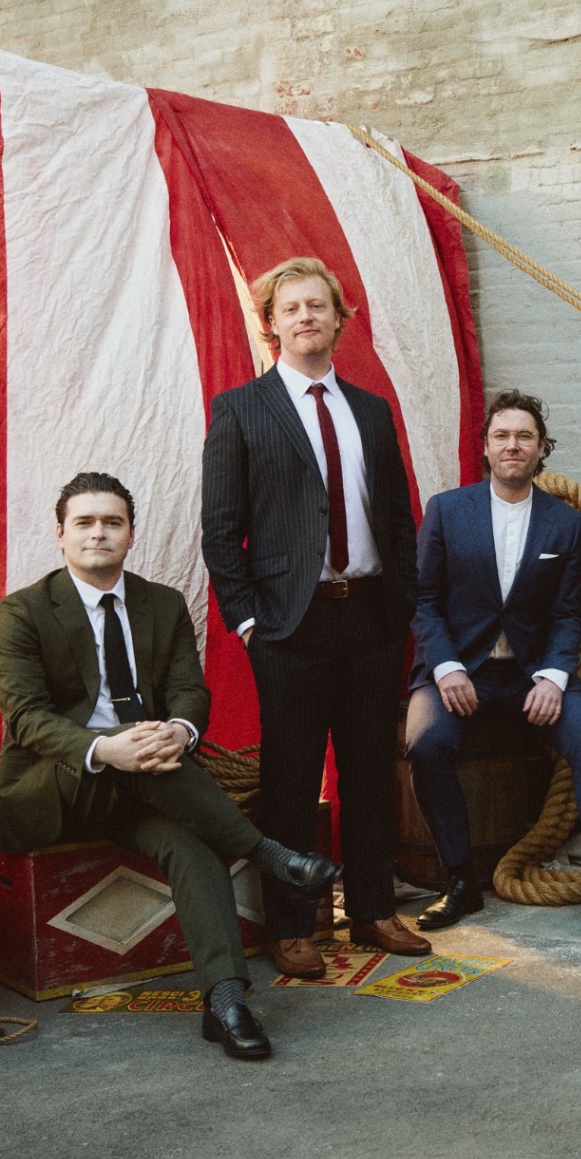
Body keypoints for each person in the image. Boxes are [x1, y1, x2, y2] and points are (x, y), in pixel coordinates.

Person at [0, 473, 342, 1059]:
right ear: (60, 535)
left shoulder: (162, 604)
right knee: (142, 751)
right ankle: (270, 855)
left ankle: (226, 1000)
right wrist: (108, 749)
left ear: (131, 535)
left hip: (149, 783)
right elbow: (26, 718)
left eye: (112, 522)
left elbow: (188, 692)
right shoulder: (24, 611)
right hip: (60, 787)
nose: (98, 533)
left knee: (191, 844)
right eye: (85, 522)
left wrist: (178, 731)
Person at [201, 256, 429, 979]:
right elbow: (220, 528)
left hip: (369, 618)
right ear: (271, 323)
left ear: (339, 319)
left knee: (368, 772)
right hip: (289, 627)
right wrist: (247, 624)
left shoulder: (371, 410)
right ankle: (293, 923)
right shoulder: (242, 409)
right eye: (291, 307)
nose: (305, 317)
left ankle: (372, 908)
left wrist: (402, 608)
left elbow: (396, 518)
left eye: (318, 306)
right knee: (292, 780)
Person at [405, 391, 581, 936]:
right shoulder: (446, 510)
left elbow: (568, 613)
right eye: (502, 436)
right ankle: (461, 879)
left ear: (542, 450)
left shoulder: (563, 522)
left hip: (531, 672)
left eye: (524, 437)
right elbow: (423, 601)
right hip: (459, 668)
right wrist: (446, 668)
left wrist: (554, 677)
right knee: (425, 742)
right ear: (486, 448)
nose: (512, 445)